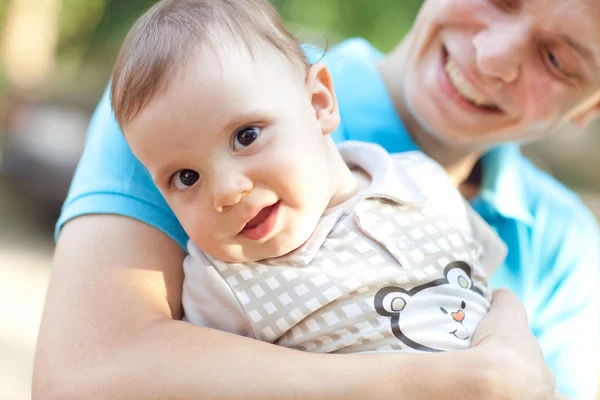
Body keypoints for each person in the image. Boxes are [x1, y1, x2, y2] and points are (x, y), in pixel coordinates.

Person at [33, 0, 600, 398]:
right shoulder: (187, 83)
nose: (492, 56)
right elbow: (88, 377)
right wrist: (435, 386)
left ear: (590, 107)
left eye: (559, 59)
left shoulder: (561, 244)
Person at [110, 0, 508, 355]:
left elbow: (495, 300)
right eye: (186, 177)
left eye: (245, 136)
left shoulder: (424, 183)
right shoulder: (223, 288)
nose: (228, 191)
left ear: (319, 103)